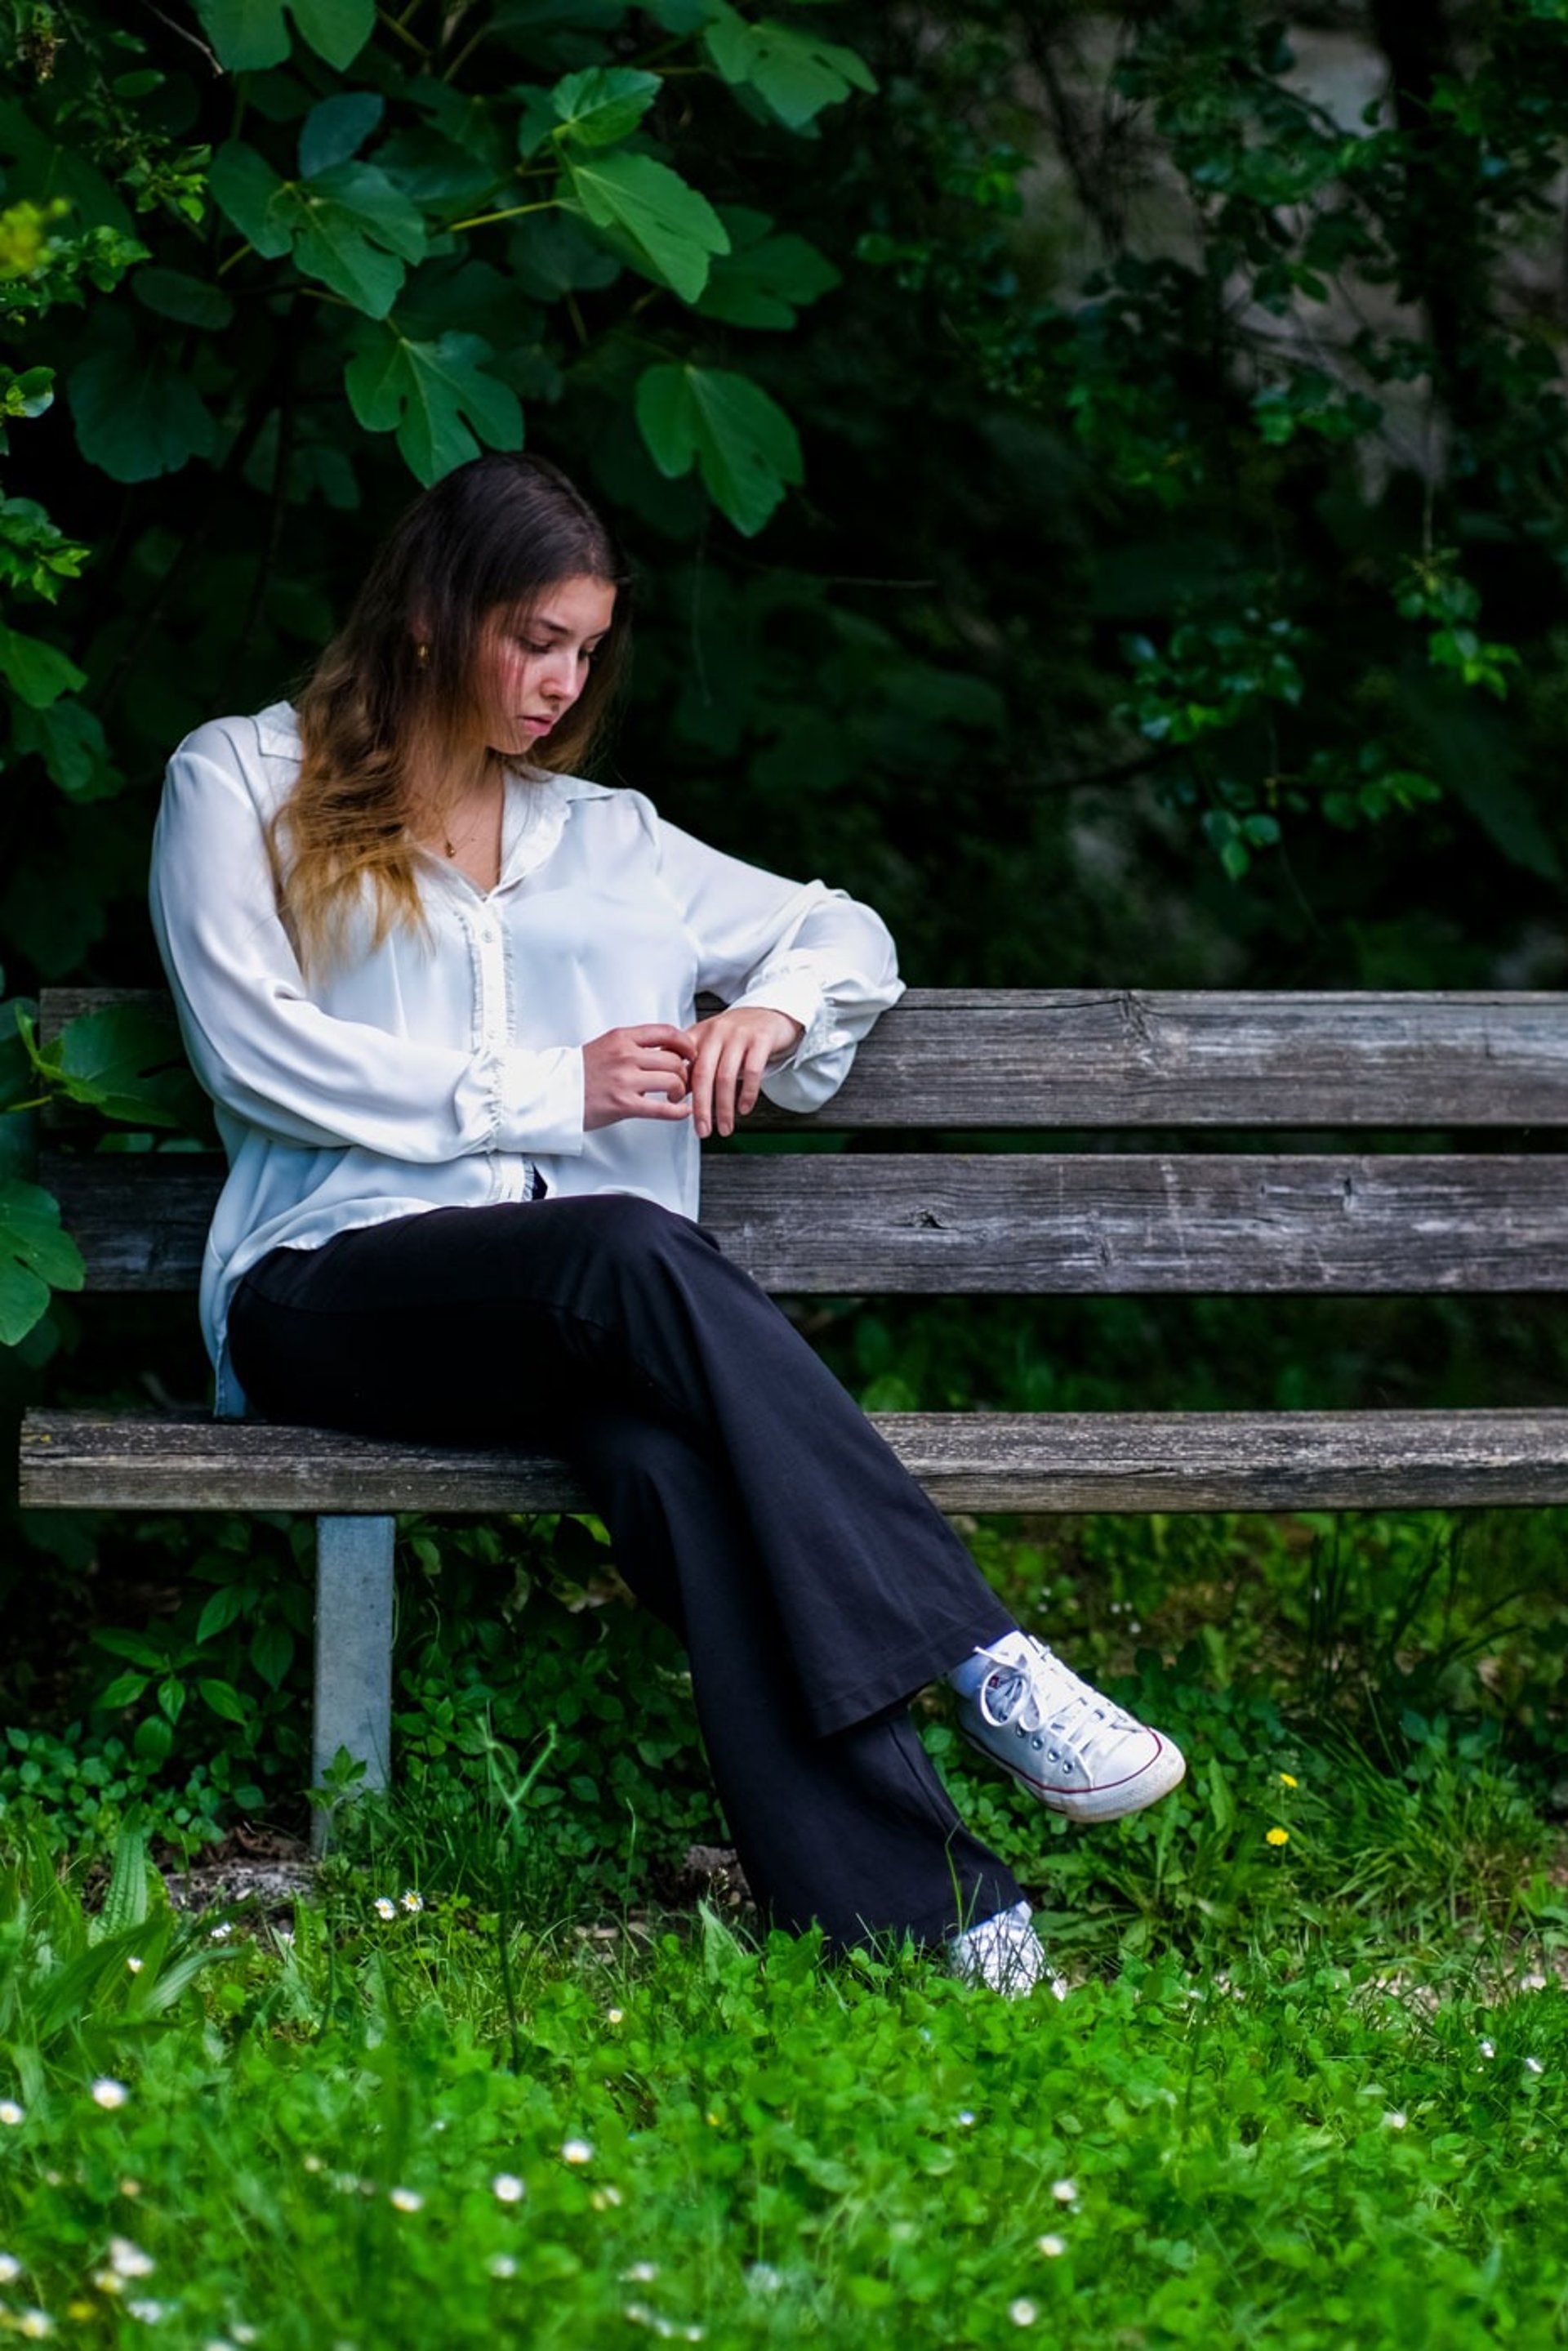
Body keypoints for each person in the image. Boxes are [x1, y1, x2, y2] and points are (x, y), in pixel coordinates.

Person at [149, 452, 1184, 1996]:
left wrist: (768, 1007)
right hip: (332, 1292)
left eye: (586, 648)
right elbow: (255, 1049)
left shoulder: (613, 841)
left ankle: (941, 1917)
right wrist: (546, 1090)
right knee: (623, 1242)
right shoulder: (243, 781)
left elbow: (843, 931)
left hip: (580, 1331)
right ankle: (982, 1655)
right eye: (535, 638)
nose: (563, 682)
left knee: (674, 1464)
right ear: (436, 616)